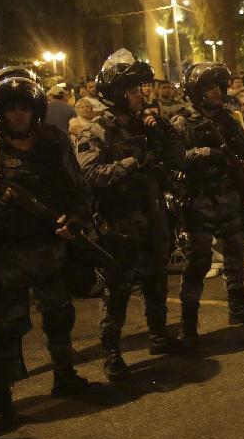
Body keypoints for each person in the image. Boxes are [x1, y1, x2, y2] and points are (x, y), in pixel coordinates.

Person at [0, 77, 95, 428]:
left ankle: (64, 375)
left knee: (60, 314)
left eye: (24, 107)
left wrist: (74, 221)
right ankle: (1, 400)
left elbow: (79, 188)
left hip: (51, 247)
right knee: (8, 325)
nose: (18, 114)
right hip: (8, 255)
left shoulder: (54, 141)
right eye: (11, 108)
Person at [75, 49, 186, 381]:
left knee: (155, 280)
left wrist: (162, 131)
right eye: (135, 89)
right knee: (118, 291)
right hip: (119, 223)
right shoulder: (97, 131)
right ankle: (111, 353)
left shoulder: (147, 125)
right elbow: (89, 174)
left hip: (153, 216)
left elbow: (175, 159)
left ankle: (159, 336)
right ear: (117, 93)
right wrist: (131, 163)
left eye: (142, 88)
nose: (142, 95)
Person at [173, 62, 244, 349]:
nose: (217, 92)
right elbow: (176, 158)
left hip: (229, 196)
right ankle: (188, 325)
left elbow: (243, 149)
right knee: (199, 261)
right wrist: (207, 154)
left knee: (235, 253)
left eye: (219, 87)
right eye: (210, 88)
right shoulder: (183, 122)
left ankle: (237, 309)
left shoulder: (227, 118)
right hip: (200, 200)